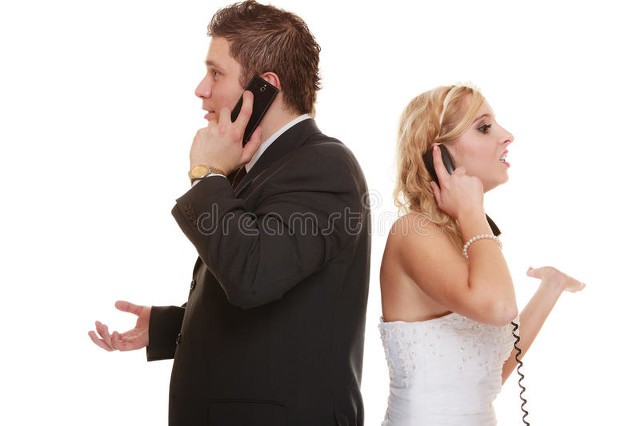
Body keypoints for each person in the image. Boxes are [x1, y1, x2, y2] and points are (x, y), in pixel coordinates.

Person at [88, 1, 371, 424]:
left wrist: (206, 176)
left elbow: (252, 276)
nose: (201, 89)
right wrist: (171, 327)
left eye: (216, 73)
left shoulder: (323, 165)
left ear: (264, 86)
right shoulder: (259, 165)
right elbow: (276, 289)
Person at [378, 84, 584, 425]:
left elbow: (485, 377)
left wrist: (552, 286)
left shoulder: (463, 237)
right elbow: (500, 308)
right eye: (484, 127)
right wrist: (472, 212)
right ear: (438, 156)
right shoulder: (413, 231)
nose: (507, 136)